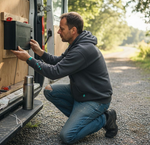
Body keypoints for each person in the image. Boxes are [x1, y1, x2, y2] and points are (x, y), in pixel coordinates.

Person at [12, 12, 118, 144]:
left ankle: (105, 118)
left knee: (67, 136)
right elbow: (58, 61)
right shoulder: (77, 44)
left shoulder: (82, 50)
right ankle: (80, 118)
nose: (58, 32)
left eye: (62, 29)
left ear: (73, 30)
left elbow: (54, 72)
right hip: (82, 92)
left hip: (96, 99)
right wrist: (40, 52)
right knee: (49, 90)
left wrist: (29, 59)